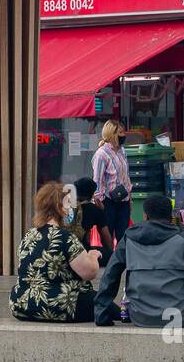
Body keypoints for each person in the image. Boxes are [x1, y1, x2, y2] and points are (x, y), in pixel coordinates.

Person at [94, 194, 184, 328]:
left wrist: (101, 314)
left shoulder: (129, 239)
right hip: (181, 316)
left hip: (140, 316)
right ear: (171, 217)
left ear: (145, 216)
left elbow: (110, 275)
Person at [10, 181, 111, 323]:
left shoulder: (29, 235)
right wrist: (93, 256)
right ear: (60, 208)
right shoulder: (65, 237)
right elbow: (89, 273)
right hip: (59, 305)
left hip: (22, 304)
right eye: (69, 204)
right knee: (112, 310)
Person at [91, 119, 132, 243]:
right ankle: (108, 260)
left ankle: (122, 260)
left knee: (123, 236)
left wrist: (130, 198)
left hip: (124, 199)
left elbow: (126, 176)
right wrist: (100, 201)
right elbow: (97, 180)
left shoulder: (122, 151)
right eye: (120, 132)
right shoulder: (101, 154)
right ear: (113, 134)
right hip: (108, 201)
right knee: (107, 237)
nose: (123, 135)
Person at [72, 177, 114, 264]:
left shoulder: (64, 206)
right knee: (110, 256)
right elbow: (106, 239)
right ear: (92, 194)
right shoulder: (95, 209)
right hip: (81, 254)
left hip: (62, 251)